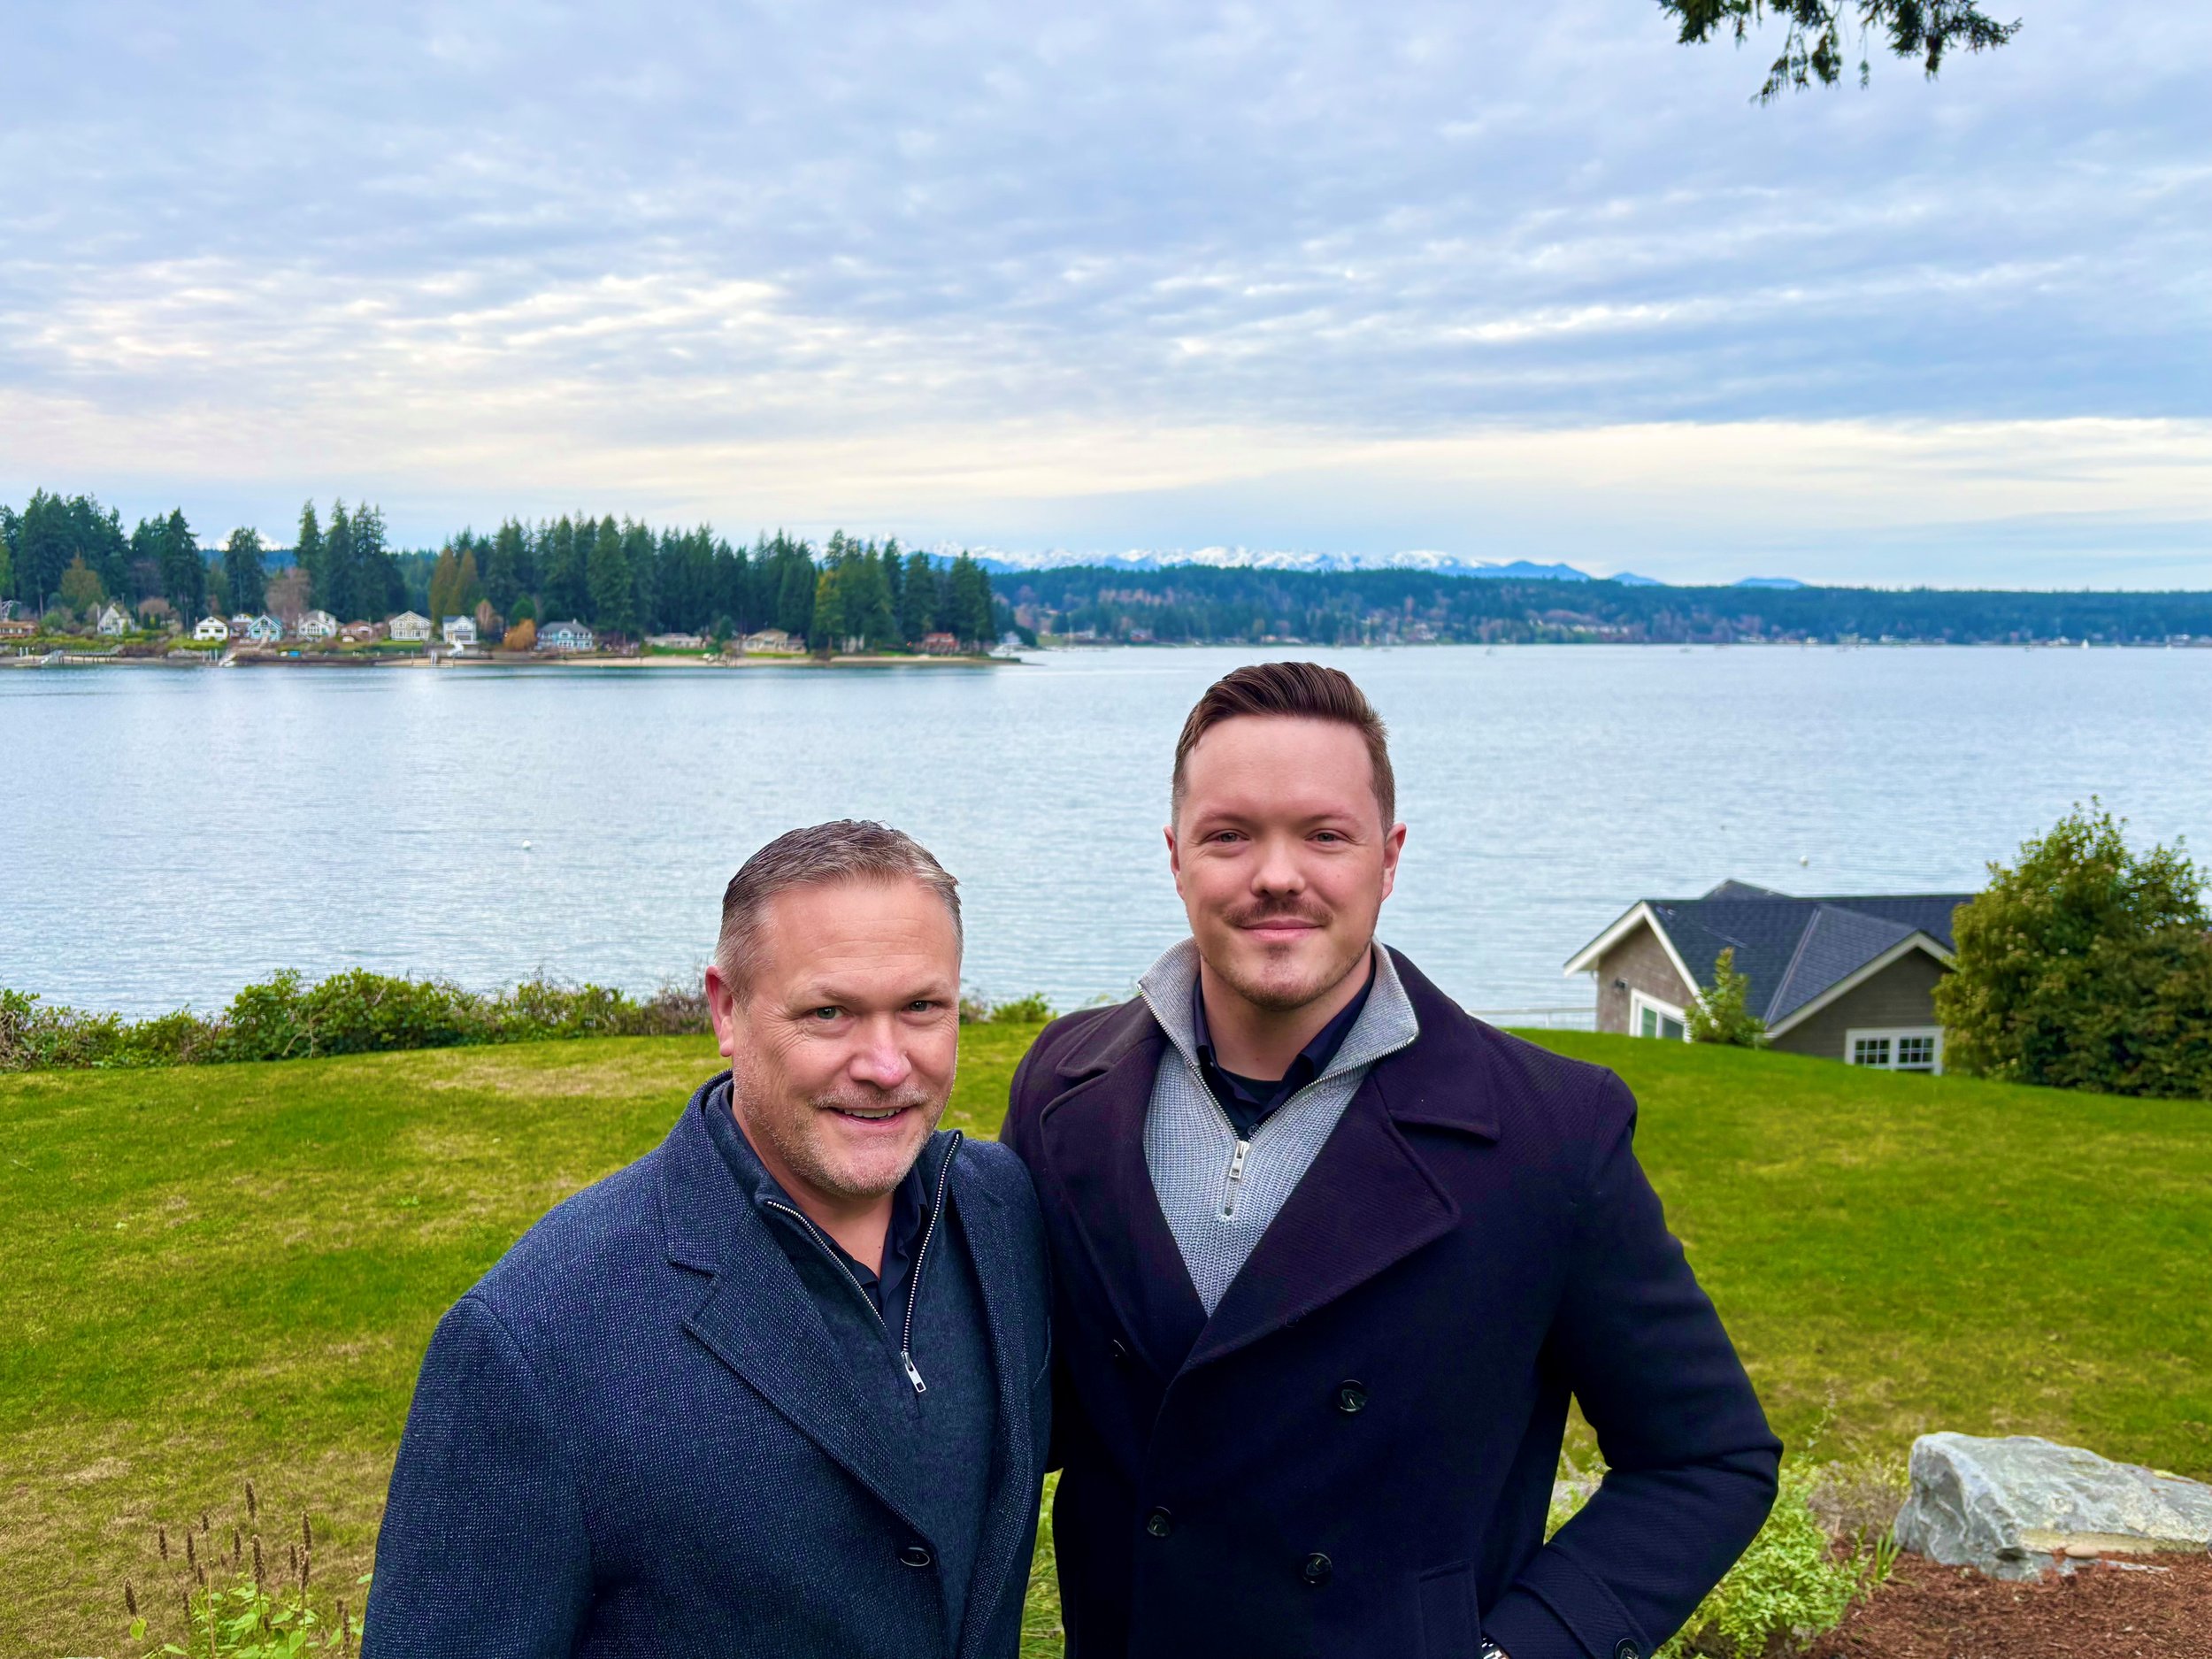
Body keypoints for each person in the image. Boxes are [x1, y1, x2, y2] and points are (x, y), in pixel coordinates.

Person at [1002, 662, 1780, 1659]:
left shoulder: (1551, 1132)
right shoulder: (1063, 1090)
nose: (1276, 874)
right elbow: (1029, 1410)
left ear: (1388, 857)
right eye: (1229, 835)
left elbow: (1706, 1458)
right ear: (1175, 857)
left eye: (1324, 835)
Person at [367, 821, 1052, 1659]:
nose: (884, 1062)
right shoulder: (529, 1340)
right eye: (829, 1011)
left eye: (920, 1007)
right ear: (727, 1009)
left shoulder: (1001, 1212)